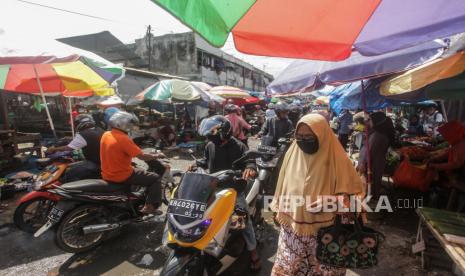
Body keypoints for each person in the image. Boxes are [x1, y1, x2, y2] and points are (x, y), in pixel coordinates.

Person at [271, 114, 364, 275]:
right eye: (299, 136)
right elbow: (282, 185)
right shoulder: (292, 153)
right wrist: (276, 209)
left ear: (321, 135)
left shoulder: (338, 158)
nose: (303, 140)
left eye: (309, 136)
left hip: (327, 234)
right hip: (292, 231)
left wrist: (333, 202)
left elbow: (357, 198)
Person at [191, 115, 261, 271]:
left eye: (213, 134)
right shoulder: (210, 145)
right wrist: (196, 164)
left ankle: (254, 253)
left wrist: (250, 168)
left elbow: (250, 161)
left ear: (225, 132)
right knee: (201, 215)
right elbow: (206, 160)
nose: (211, 138)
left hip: (234, 191)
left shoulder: (239, 146)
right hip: (214, 188)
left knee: (244, 223)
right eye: (209, 135)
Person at [100, 111, 165, 214]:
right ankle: (149, 207)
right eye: (130, 124)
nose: (131, 126)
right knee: (155, 178)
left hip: (107, 173)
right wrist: (157, 155)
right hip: (122, 175)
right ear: (123, 124)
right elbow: (142, 156)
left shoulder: (106, 134)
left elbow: (126, 151)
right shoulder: (123, 139)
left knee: (137, 169)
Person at [47, 114, 104, 180]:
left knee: (70, 174)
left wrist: (53, 149)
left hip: (96, 163)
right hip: (103, 162)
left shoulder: (84, 134)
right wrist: (68, 138)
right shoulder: (99, 130)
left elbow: (68, 148)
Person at [357, 112, 395, 199]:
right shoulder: (377, 132)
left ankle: (371, 198)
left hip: (373, 163)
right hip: (375, 162)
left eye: (370, 120)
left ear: (377, 121)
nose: (368, 122)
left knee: (371, 181)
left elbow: (370, 152)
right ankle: (370, 196)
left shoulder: (378, 135)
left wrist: (363, 163)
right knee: (372, 181)